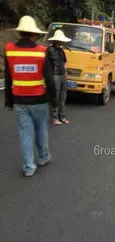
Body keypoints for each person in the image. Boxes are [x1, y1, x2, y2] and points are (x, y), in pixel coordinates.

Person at [4, 15, 57, 177]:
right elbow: (49, 78)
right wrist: (53, 100)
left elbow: (8, 78)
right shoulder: (41, 53)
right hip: (39, 100)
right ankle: (42, 158)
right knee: (41, 129)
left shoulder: (10, 50)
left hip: (19, 100)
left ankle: (28, 167)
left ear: (20, 33)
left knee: (25, 134)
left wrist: (9, 101)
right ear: (34, 34)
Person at [46, 29, 71, 125]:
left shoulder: (61, 50)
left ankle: (62, 117)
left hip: (62, 75)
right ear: (55, 40)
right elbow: (47, 65)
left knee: (63, 97)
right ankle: (54, 117)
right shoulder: (49, 50)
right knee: (54, 97)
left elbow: (64, 62)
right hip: (54, 75)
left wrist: (65, 72)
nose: (60, 42)